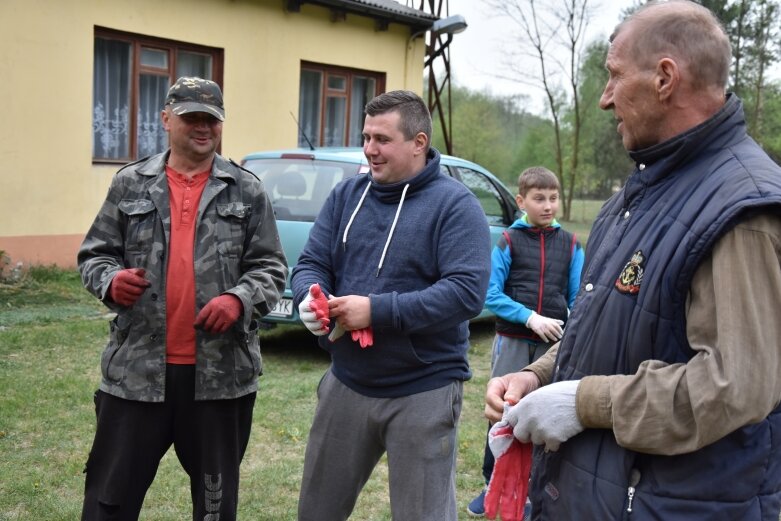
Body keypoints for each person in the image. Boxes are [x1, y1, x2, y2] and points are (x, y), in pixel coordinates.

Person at [485, 1, 781, 519]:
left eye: (615, 76)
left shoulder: (743, 210)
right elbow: (607, 329)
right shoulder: (636, 196)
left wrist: (583, 404)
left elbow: (733, 387)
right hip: (602, 495)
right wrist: (540, 376)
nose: (604, 99)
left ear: (665, 78)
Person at [77, 76, 288, 521]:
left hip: (220, 378)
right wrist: (110, 280)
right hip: (136, 373)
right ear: (166, 119)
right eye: (192, 116)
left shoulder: (246, 189)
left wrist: (238, 300)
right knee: (107, 501)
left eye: (211, 119)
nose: (203, 127)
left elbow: (271, 269)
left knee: (215, 507)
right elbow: (94, 255)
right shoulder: (130, 184)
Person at [291, 90, 491, 521]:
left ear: (418, 142)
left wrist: (376, 311)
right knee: (316, 511)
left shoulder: (456, 206)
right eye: (366, 137)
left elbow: (465, 293)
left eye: (382, 139)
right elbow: (312, 263)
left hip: (424, 388)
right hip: (346, 381)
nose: (369, 149)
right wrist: (310, 297)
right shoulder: (347, 196)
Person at [467, 166, 583, 517]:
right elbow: (490, 293)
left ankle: (534, 490)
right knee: (504, 411)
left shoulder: (572, 243)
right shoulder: (509, 241)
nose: (548, 206)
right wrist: (529, 317)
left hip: (553, 347)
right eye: (539, 198)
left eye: (553, 198)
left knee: (545, 414)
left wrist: (565, 326)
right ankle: (491, 484)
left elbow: (579, 298)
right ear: (521, 201)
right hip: (513, 340)